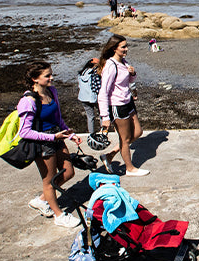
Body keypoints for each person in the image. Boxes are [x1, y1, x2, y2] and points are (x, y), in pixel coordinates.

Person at [19, 61, 83, 228]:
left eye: (51, 74)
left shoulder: (52, 92)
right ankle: (59, 215)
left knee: (68, 173)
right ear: (35, 79)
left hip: (57, 136)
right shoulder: (28, 101)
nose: (51, 78)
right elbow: (24, 132)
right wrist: (53, 137)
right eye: (47, 76)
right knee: (49, 181)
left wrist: (70, 135)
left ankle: (42, 200)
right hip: (43, 142)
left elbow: (58, 118)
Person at [97, 35, 148, 177]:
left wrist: (132, 74)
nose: (126, 49)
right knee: (124, 139)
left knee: (138, 132)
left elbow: (125, 82)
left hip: (128, 102)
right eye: (123, 47)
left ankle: (109, 155)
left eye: (126, 46)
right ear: (114, 48)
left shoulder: (123, 62)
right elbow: (103, 92)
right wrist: (105, 117)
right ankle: (130, 168)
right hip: (117, 105)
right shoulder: (110, 65)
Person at [76, 58, 102, 134]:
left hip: (83, 97)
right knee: (101, 114)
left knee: (90, 117)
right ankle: (103, 130)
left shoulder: (81, 73)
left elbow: (80, 86)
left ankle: (91, 133)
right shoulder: (94, 73)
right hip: (93, 97)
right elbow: (97, 86)